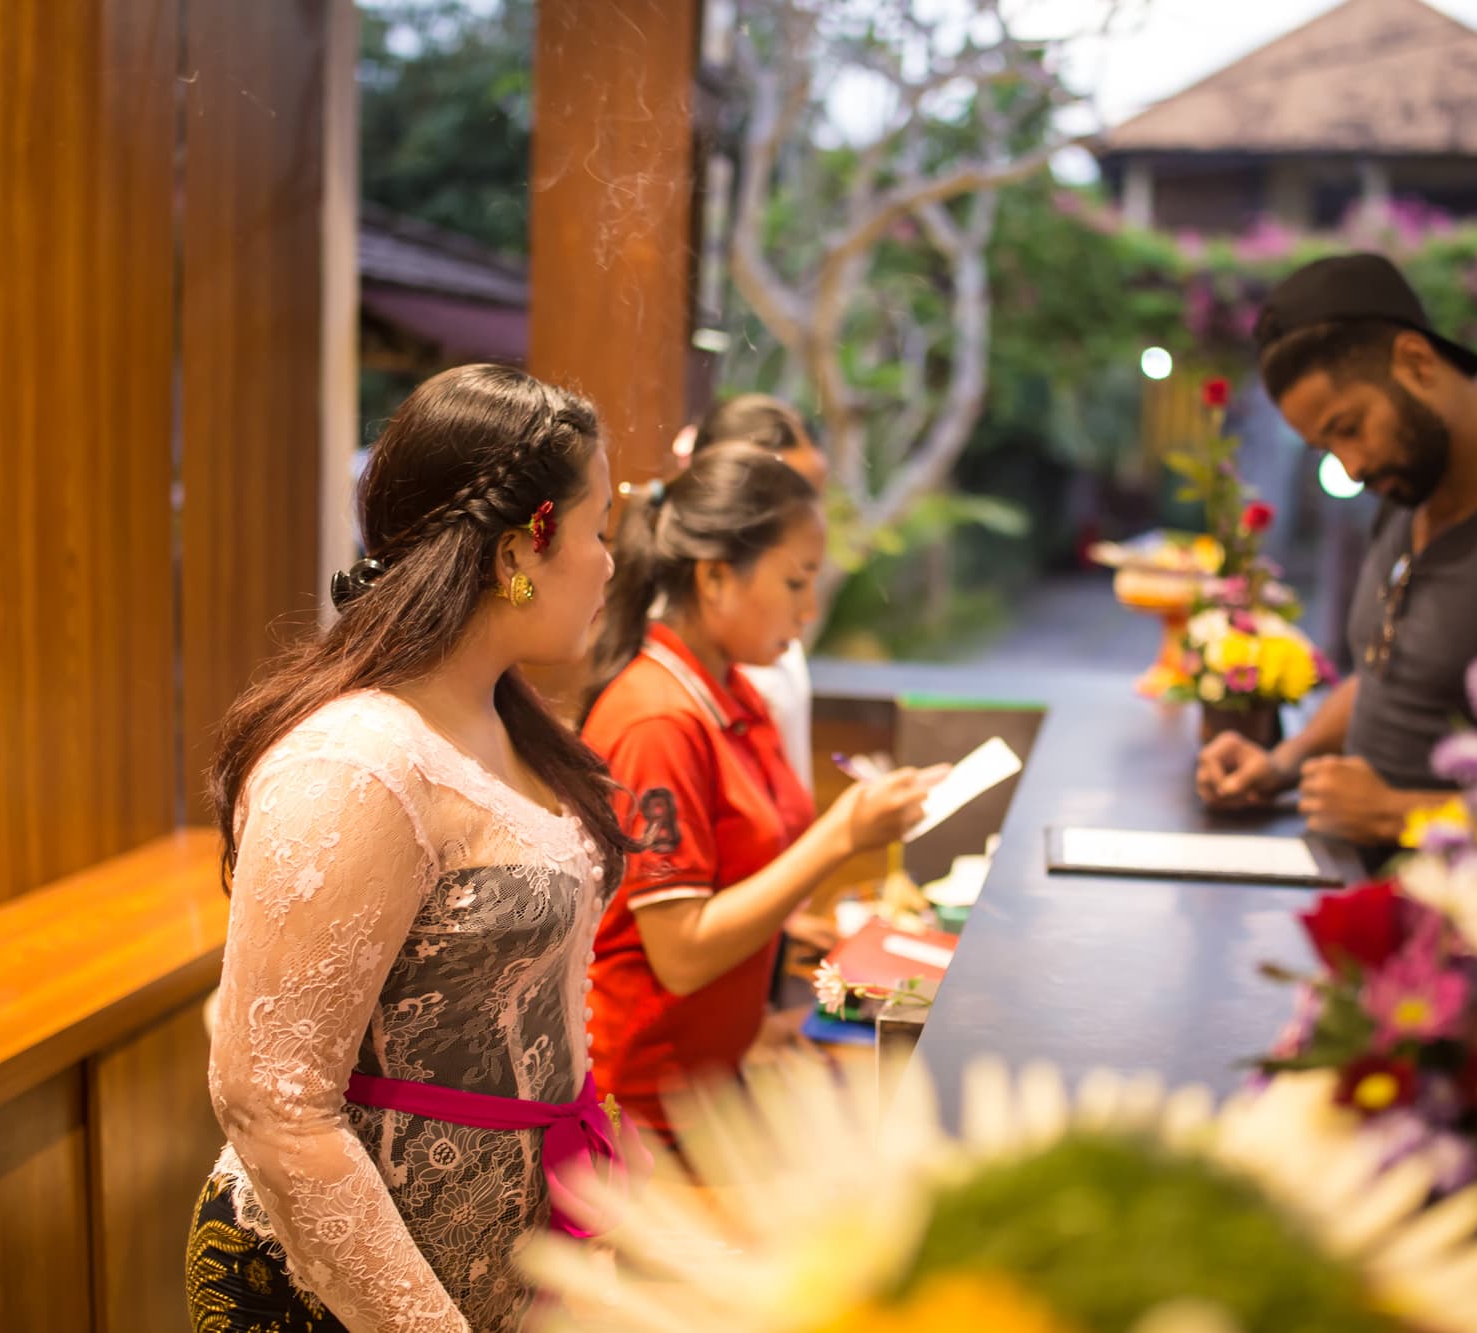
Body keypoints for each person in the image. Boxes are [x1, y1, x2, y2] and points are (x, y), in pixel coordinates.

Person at [190, 365, 632, 1333]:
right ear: (522, 547)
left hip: (509, 1266)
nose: (609, 564)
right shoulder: (357, 761)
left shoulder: (501, 720)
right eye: (599, 530)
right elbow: (272, 1101)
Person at [582, 442, 942, 1135]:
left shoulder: (735, 690)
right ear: (716, 576)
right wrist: (842, 836)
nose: (809, 610)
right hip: (649, 1104)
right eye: (796, 582)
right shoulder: (659, 721)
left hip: (718, 1073)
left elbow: (733, 869)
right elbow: (681, 954)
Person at [1197, 252, 1477, 849]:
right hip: (1346, 869)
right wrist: (1283, 762)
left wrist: (1401, 815)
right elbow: (1386, 675)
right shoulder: (1408, 491)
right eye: (1326, 447)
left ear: (1416, 361)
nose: (1350, 467)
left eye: (1349, 427)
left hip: (1470, 896)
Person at [685, 393, 830, 788]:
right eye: (793, 496)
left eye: (815, 497)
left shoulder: (764, 639)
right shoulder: (667, 707)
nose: (811, 519)